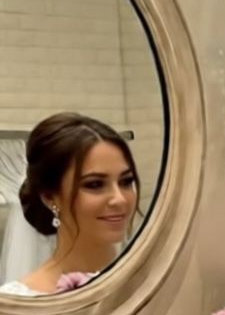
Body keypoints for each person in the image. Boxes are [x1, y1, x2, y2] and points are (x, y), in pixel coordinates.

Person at [0, 112, 139, 296]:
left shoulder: (157, 281)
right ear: (50, 197)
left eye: (126, 181)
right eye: (95, 184)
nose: (120, 198)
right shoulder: (17, 302)